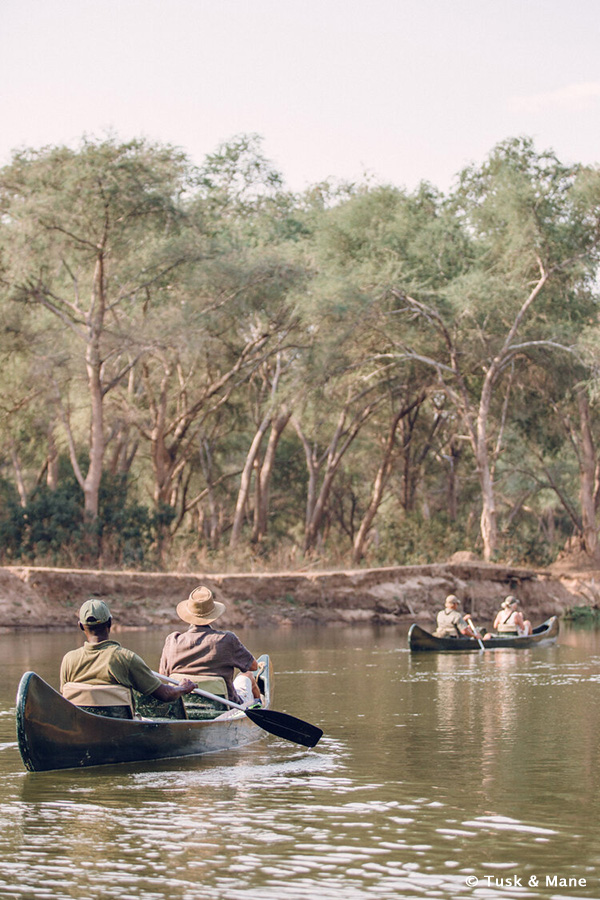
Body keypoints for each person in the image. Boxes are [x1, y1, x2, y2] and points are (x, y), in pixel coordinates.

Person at [60, 598, 197, 704]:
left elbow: (64, 699)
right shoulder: (125, 658)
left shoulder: (68, 660)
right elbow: (165, 695)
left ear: (81, 626)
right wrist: (183, 688)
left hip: (80, 728)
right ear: (110, 623)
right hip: (119, 729)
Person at [159, 585, 260, 707]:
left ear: (188, 615)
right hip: (227, 706)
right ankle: (260, 707)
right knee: (247, 675)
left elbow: (163, 674)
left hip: (183, 706)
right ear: (213, 616)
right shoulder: (227, 639)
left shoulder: (172, 641)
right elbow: (253, 667)